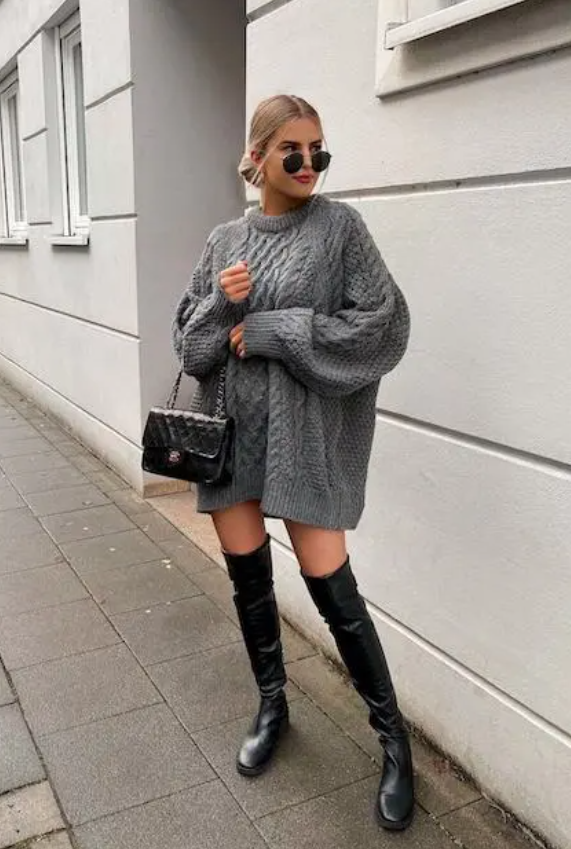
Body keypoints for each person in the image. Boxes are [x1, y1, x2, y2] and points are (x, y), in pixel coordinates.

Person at [173, 94, 413, 831]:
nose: (309, 164)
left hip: (302, 442)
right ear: (257, 157)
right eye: (293, 151)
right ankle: (272, 704)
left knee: (333, 587)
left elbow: (383, 326)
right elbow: (191, 350)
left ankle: (393, 741)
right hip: (232, 440)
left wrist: (276, 328)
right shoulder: (223, 240)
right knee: (249, 582)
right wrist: (221, 304)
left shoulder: (340, 229)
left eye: (319, 151)